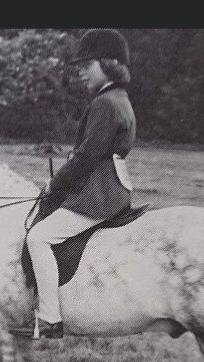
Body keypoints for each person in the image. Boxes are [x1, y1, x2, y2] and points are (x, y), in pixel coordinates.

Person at [12, 29, 136, 339]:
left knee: (38, 238)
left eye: (87, 64)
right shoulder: (118, 99)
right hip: (109, 188)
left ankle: (50, 318)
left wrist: (55, 184)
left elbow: (86, 157)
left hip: (98, 194)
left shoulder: (106, 103)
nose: (80, 72)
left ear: (108, 63)